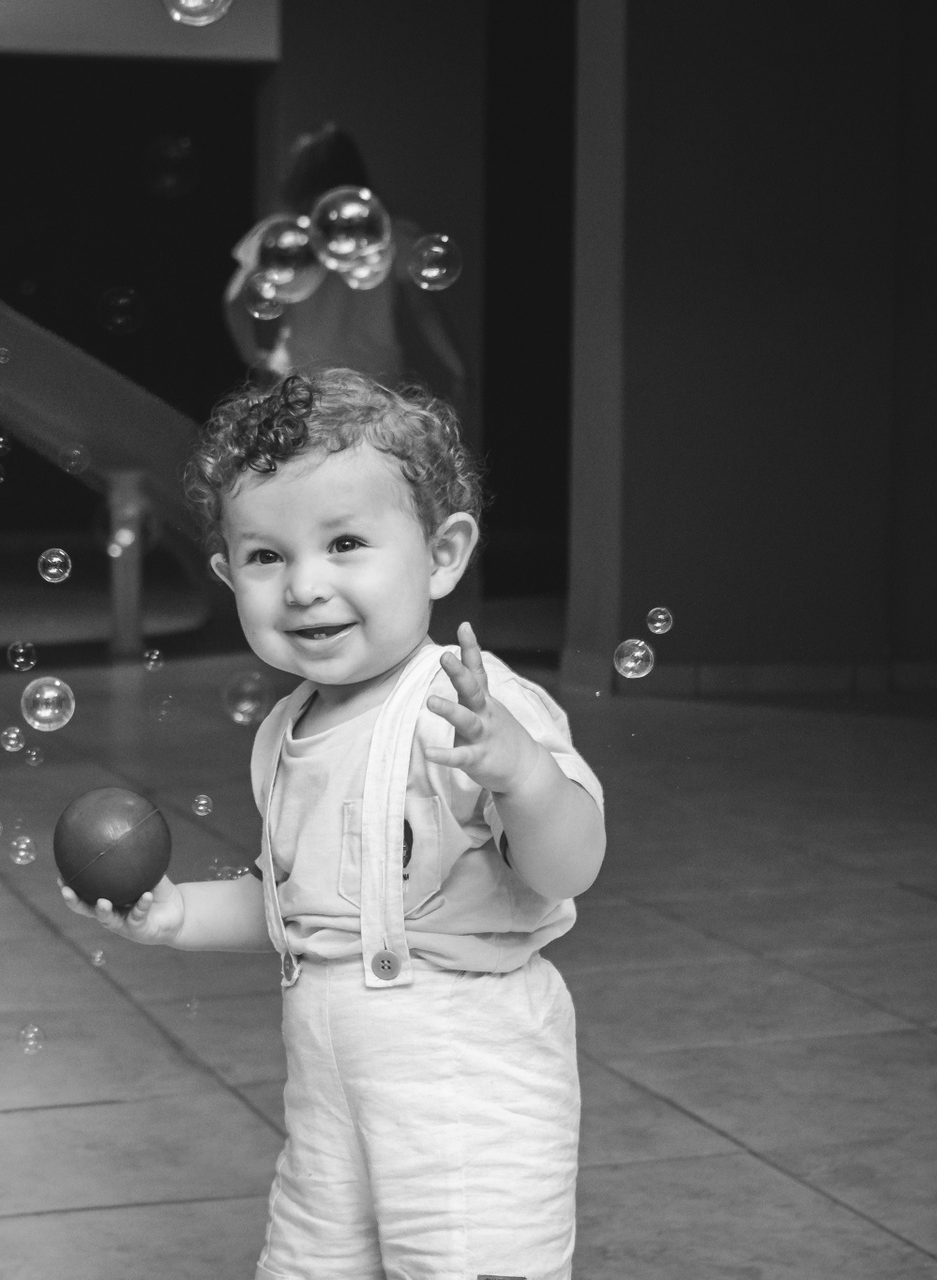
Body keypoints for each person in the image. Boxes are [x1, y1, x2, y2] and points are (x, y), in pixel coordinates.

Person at [64, 369, 606, 1279]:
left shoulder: (471, 710)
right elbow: (305, 905)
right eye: (266, 557)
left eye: (346, 543)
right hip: (328, 1100)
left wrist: (522, 775)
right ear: (227, 575)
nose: (305, 586)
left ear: (442, 555)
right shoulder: (286, 732)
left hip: (466, 1087)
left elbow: (569, 868)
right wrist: (179, 915)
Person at [223, 124, 470, 414]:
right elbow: (425, 310)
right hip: (374, 384)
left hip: (300, 381)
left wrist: (255, 359)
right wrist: (460, 369)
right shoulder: (390, 231)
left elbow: (234, 300)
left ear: (300, 176)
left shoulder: (280, 238)